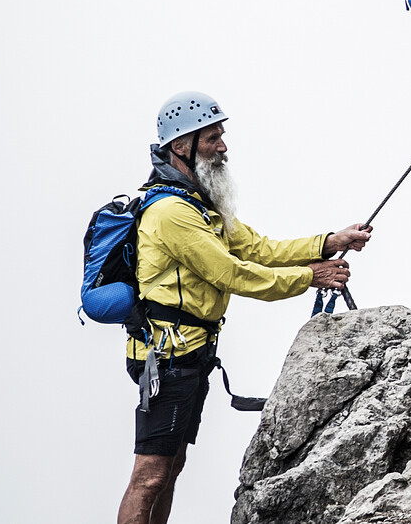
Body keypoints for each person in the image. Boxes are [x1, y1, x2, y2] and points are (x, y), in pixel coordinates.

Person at [117, 92, 372, 524]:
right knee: (150, 474)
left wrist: (328, 242)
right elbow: (232, 274)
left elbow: (257, 248)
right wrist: (311, 276)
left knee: (170, 467)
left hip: (188, 354)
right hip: (167, 359)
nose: (223, 146)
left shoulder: (200, 205)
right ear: (182, 145)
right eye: (213, 137)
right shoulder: (171, 213)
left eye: (221, 136)